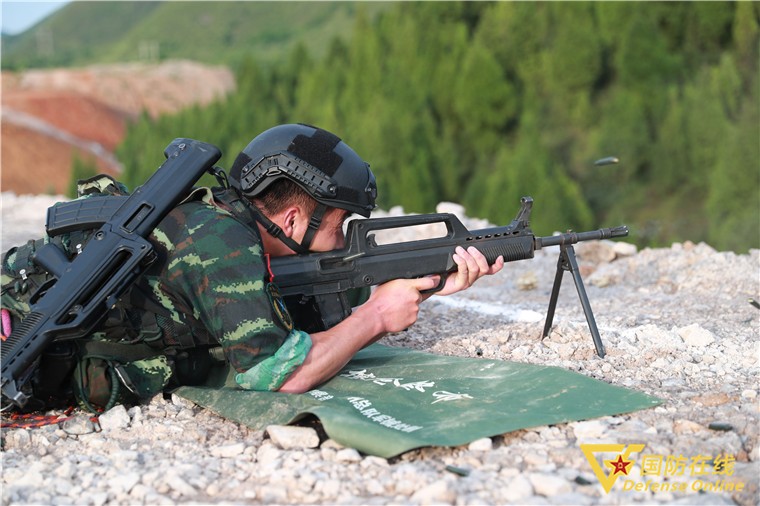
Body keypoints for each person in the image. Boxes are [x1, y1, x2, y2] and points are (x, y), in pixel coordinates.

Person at [1, 123, 503, 411]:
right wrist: (376, 316)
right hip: (25, 353)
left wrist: (419, 279)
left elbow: (308, 290)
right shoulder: (221, 243)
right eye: (340, 224)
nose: (342, 238)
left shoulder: (221, 217)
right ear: (293, 218)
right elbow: (282, 376)